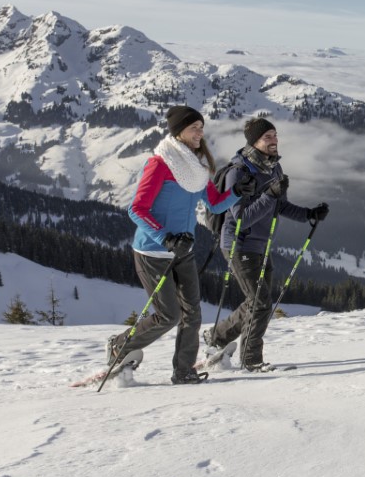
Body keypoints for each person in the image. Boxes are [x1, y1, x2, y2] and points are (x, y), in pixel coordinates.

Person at [111, 105, 257, 385]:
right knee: (168, 315)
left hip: (183, 252)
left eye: (202, 128)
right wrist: (165, 237)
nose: (200, 133)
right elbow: (137, 209)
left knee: (193, 313)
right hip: (153, 252)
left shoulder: (197, 169)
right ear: (179, 131)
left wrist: (237, 192)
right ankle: (119, 346)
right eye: (194, 128)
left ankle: (184, 370)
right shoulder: (159, 164)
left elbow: (213, 203)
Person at [204, 117, 329, 372]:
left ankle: (216, 337)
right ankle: (251, 360)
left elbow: (279, 206)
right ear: (254, 142)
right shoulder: (239, 172)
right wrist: (268, 194)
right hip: (238, 244)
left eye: (274, 135)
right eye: (267, 137)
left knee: (257, 300)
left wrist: (308, 214)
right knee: (260, 301)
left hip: (261, 244)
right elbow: (242, 218)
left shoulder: (273, 169)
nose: (273, 141)